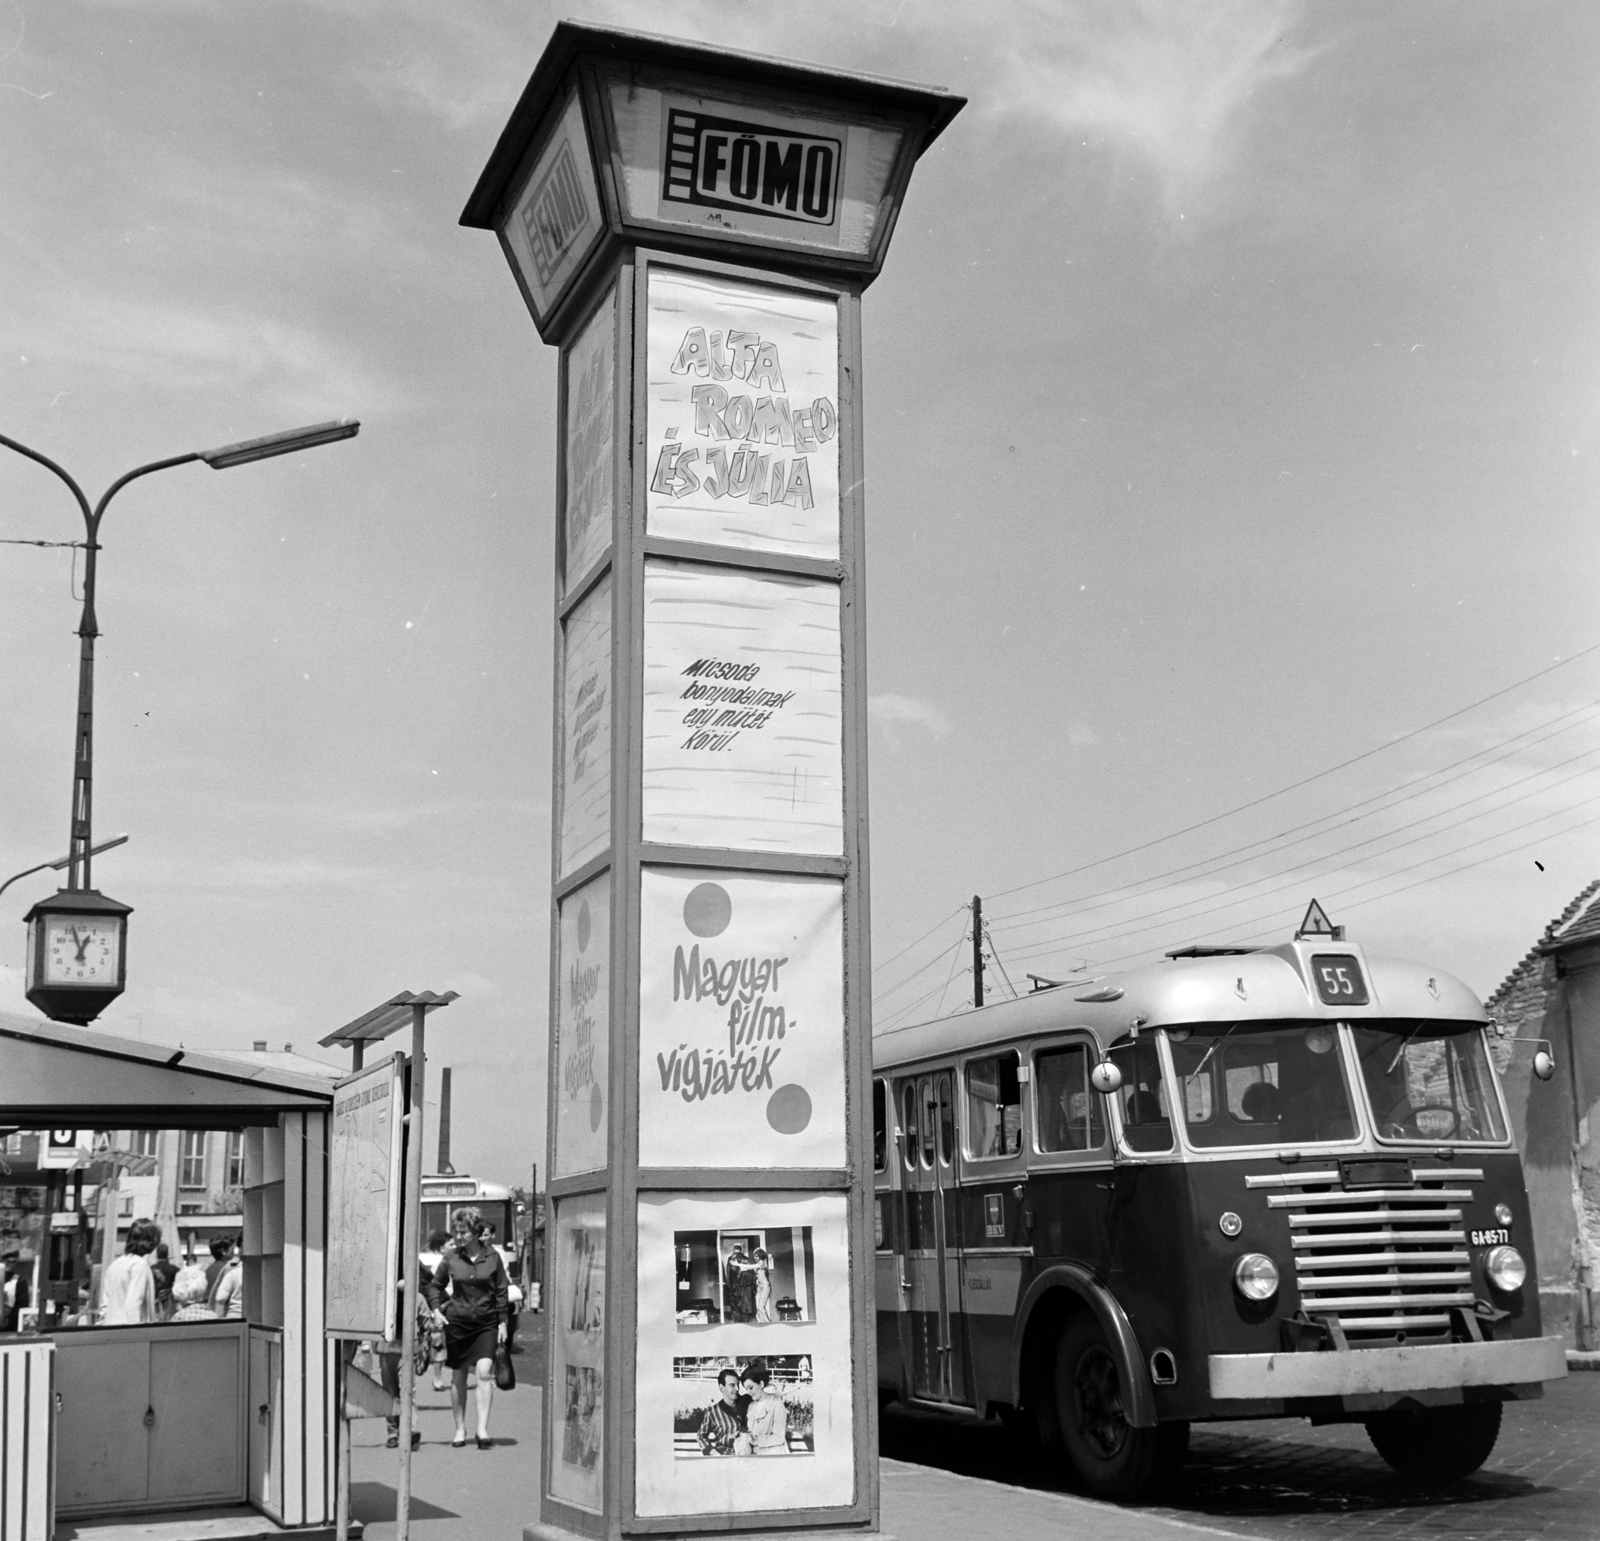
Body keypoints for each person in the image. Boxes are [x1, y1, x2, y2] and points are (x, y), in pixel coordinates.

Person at [425, 1206, 509, 1450]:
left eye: (463, 1232)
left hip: (486, 1323)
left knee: (484, 1371)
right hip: (458, 1323)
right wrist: (437, 1309)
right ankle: (460, 1428)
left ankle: (482, 1428)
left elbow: (501, 1290)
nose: (459, 1236)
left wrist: (502, 1321)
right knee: (459, 1374)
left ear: (475, 1231)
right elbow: (434, 1285)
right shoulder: (451, 1258)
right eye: (457, 1231)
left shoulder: (493, 1257)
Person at [101, 1218, 160, 1324]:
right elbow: (133, 1302)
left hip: (110, 1330)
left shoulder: (114, 1265)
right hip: (131, 1333)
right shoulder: (140, 1265)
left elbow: (105, 1305)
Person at [697, 1367, 749, 1456]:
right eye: (732, 1385)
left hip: (746, 1454)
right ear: (722, 1388)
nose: (737, 1389)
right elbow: (701, 1436)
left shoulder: (747, 1403)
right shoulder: (712, 1412)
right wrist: (711, 1451)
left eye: (738, 1384)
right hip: (724, 1457)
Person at [740, 1360, 788, 1454]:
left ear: (761, 1384)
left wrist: (756, 1441)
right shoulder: (751, 1406)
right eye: (746, 1389)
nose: (748, 1392)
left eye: (750, 1387)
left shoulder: (777, 1405)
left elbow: (779, 1438)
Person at [209, 1235, 244, 1319]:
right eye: (232, 1249)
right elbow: (220, 1298)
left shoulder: (209, 1268)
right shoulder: (228, 1268)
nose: (234, 1251)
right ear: (223, 1251)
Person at [150, 1242, 179, 1322]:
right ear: (167, 1254)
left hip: (154, 1304)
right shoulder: (175, 1269)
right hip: (170, 1304)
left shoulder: (150, 1269)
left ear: (157, 1254)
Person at [751, 1248, 774, 1324]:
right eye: (754, 1256)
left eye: (756, 1256)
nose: (755, 1258)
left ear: (760, 1256)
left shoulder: (761, 1263)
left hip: (765, 1287)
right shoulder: (759, 1264)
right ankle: (761, 1323)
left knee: (760, 1306)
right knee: (758, 1307)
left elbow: (752, 1267)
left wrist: (739, 1265)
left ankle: (767, 1323)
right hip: (760, 1287)